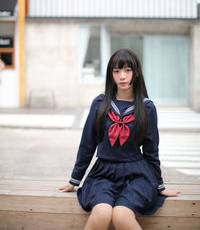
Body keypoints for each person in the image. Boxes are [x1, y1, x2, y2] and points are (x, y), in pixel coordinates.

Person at [59, 49, 181, 230]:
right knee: (102, 213)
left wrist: (160, 185)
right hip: (103, 173)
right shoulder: (100, 104)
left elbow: (151, 150)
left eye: (127, 71)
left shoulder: (147, 108)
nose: (122, 76)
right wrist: (74, 180)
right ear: (111, 75)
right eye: (116, 71)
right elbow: (87, 143)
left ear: (137, 73)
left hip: (137, 174)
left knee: (121, 216)